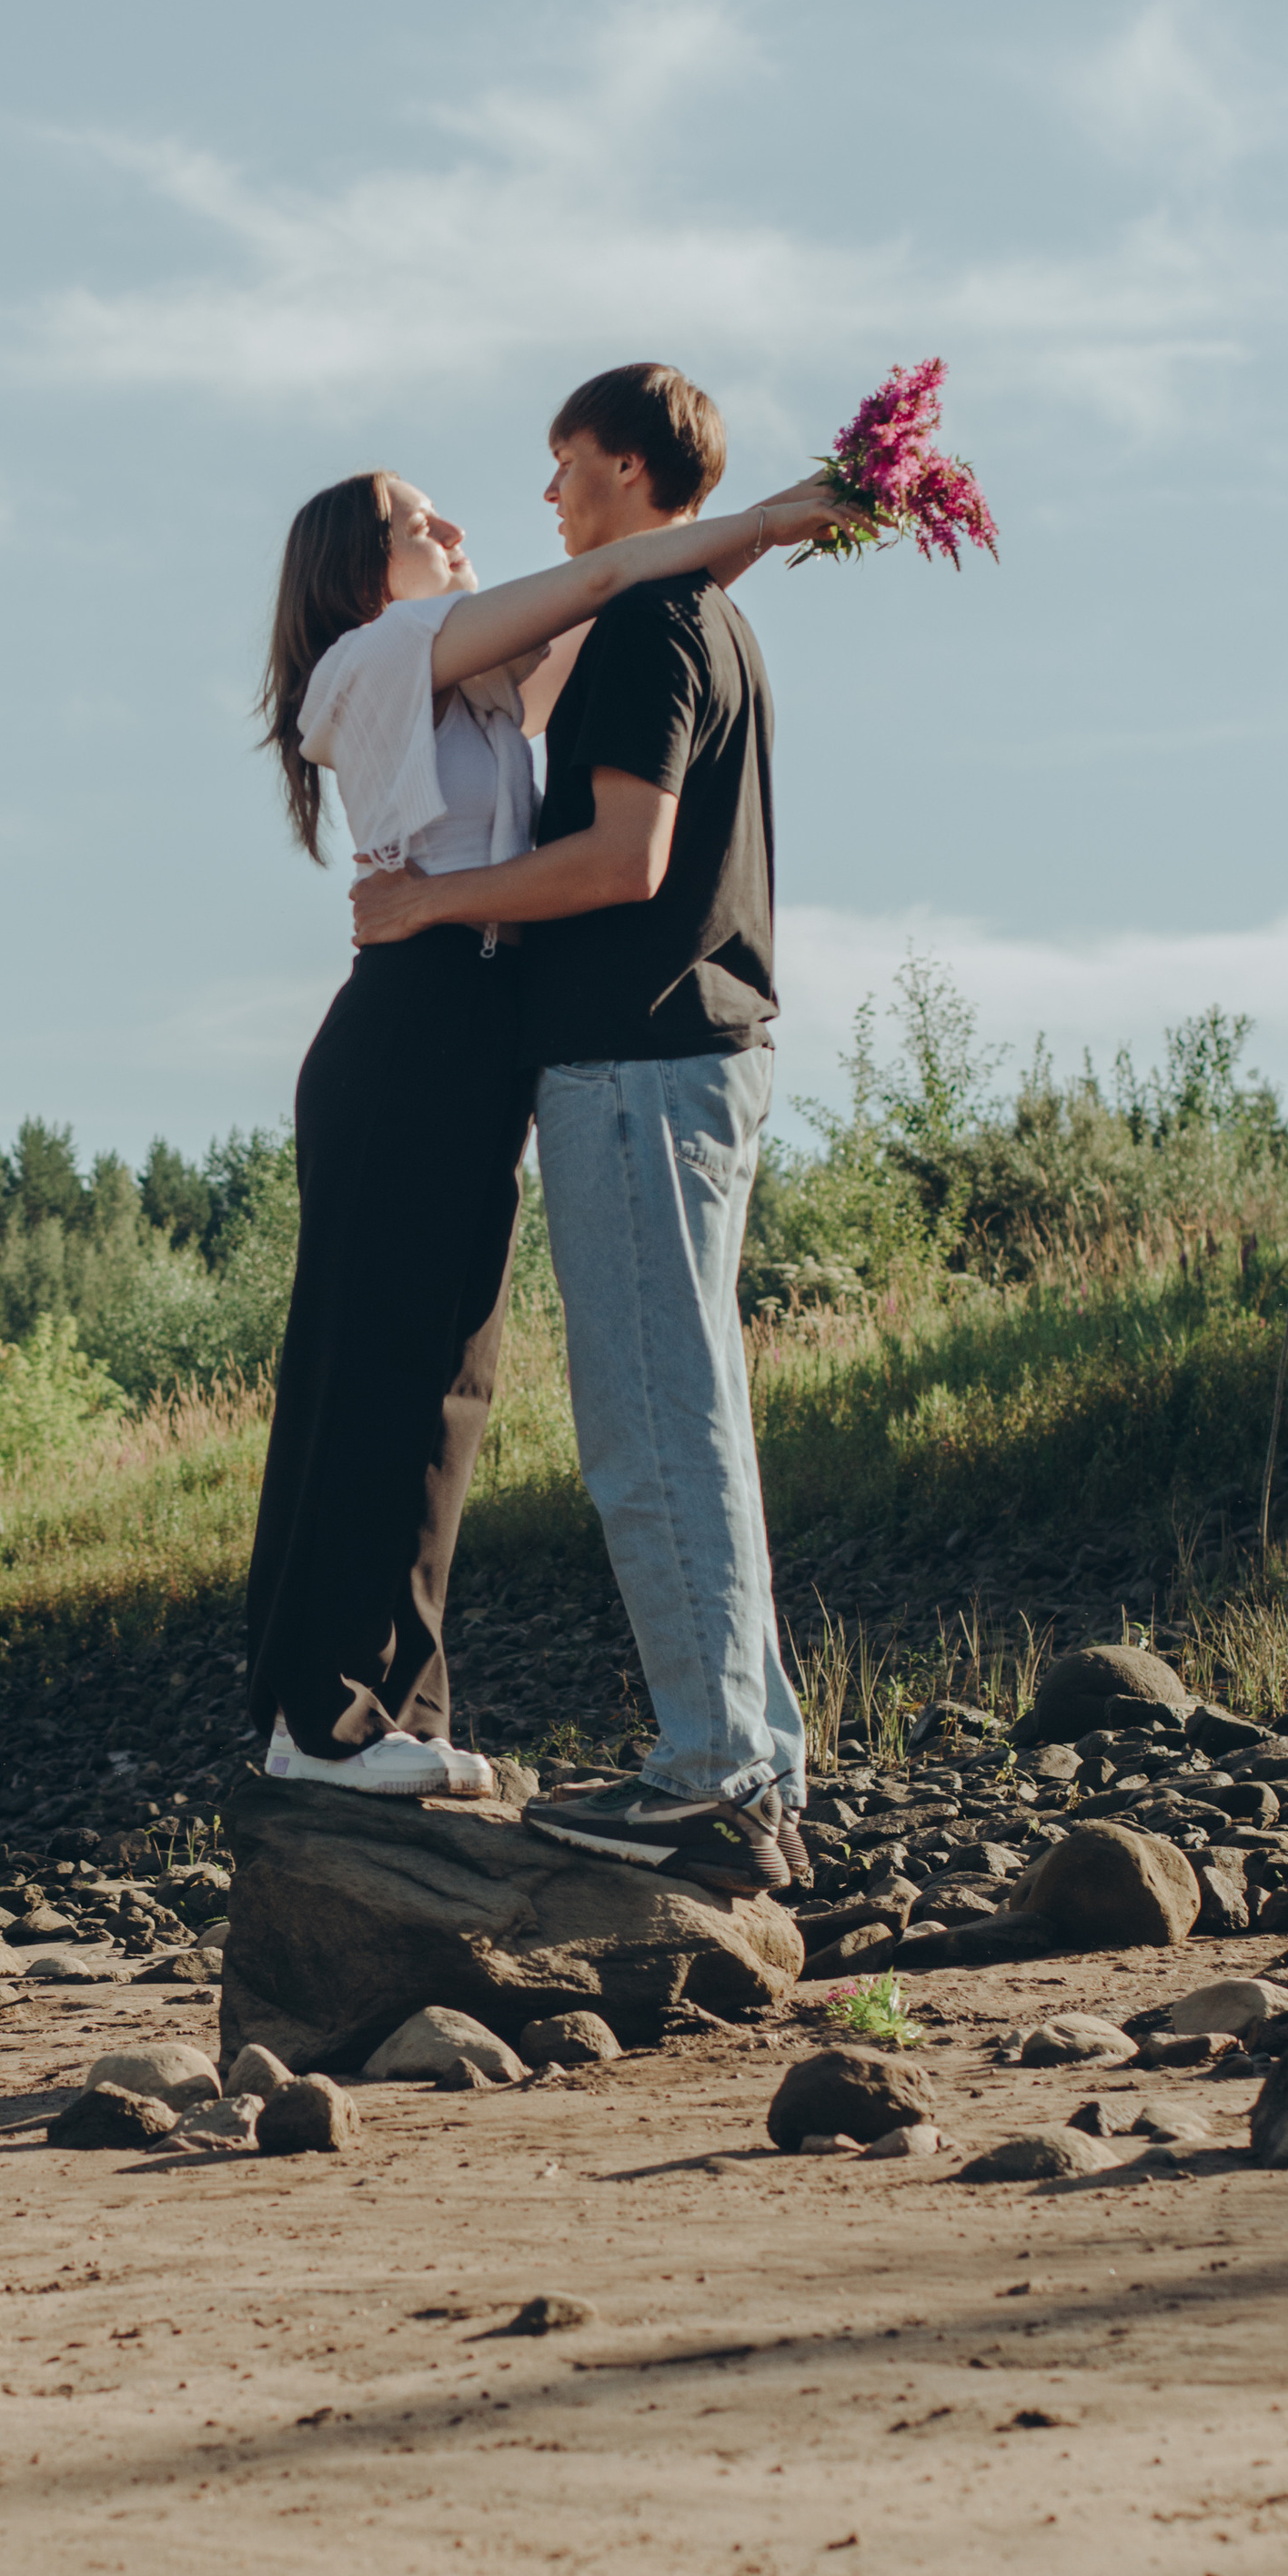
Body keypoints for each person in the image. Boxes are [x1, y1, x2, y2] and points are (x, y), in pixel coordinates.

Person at [250, 438, 840, 1800]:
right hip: (407, 1025)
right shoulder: (372, 662)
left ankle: (390, 1711)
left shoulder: (467, 681)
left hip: (475, 1036)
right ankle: (313, 1720)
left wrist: (767, 533)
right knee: (368, 1368)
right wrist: (760, 511)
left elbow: (625, 592)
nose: (451, 522)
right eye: (414, 516)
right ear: (354, 573)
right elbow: (614, 569)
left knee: (446, 1389)